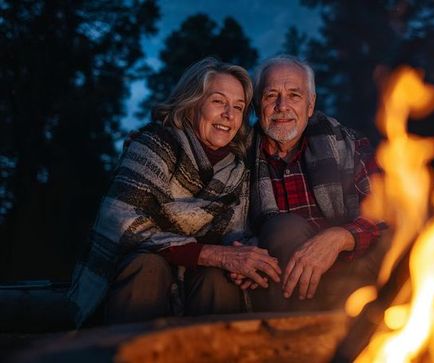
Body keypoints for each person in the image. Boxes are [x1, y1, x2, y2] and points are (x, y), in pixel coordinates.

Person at [67, 58, 281, 326]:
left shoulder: (237, 169)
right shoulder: (155, 144)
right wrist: (210, 253)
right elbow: (120, 220)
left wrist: (242, 253)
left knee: (220, 277)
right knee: (149, 266)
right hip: (137, 274)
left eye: (238, 107)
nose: (229, 114)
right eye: (218, 101)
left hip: (198, 279)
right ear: (192, 103)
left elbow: (234, 234)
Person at [237, 55, 387, 311]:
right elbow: (222, 219)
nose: (282, 106)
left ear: (310, 104)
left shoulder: (349, 145)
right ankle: (290, 339)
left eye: (294, 95)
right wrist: (248, 246)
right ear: (257, 104)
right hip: (275, 284)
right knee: (283, 229)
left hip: (348, 271)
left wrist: (340, 236)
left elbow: (387, 214)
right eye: (271, 95)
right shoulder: (239, 153)